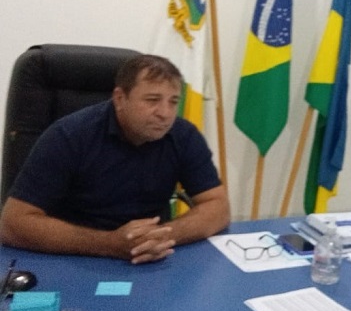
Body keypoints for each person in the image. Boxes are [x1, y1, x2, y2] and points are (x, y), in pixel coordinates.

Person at [0, 54, 230, 265]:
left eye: (173, 101)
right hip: (75, 257)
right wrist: (109, 244)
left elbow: (218, 207)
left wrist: (163, 235)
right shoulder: (68, 136)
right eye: (152, 100)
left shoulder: (183, 135)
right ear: (120, 98)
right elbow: (13, 223)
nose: (165, 113)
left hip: (151, 257)